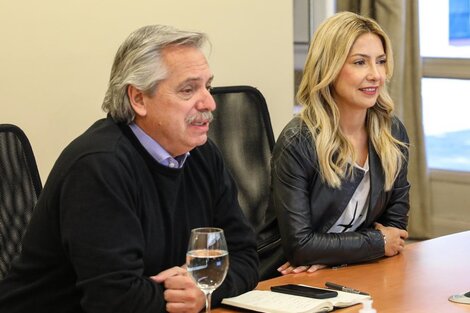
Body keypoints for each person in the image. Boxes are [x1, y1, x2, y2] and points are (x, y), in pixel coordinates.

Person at [0, 25, 258, 312]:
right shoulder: (99, 166)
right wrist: (184, 292)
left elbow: (246, 255)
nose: (209, 103)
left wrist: (204, 289)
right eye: (188, 89)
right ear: (138, 99)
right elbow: (114, 299)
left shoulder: (202, 154)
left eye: (207, 86)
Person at [271, 11, 410, 275]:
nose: (376, 75)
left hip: (353, 272)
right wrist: (375, 243)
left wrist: (334, 254)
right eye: (360, 62)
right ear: (329, 68)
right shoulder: (298, 141)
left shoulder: (392, 133)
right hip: (285, 280)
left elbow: (395, 230)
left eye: (380, 62)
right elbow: (300, 246)